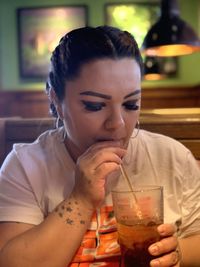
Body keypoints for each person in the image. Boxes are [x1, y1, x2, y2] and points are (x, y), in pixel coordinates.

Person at [0, 25, 200, 267]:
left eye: (131, 104)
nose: (117, 124)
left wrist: (177, 253)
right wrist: (81, 199)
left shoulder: (171, 156)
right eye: (95, 105)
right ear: (57, 101)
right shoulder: (26, 166)